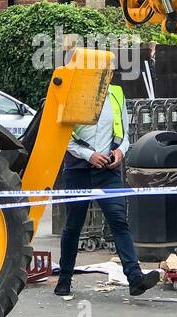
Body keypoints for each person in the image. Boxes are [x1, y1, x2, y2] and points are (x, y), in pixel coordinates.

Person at [55, 43, 160, 299]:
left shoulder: (116, 94)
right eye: (105, 71)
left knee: (118, 221)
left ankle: (134, 278)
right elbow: (62, 137)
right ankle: (65, 279)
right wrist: (89, 155)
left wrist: (120, 152)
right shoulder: (72, 94)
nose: (109, 76)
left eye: (110, 72)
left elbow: (124, 131)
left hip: (108, 171)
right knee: (73, 225)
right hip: (79, 169)